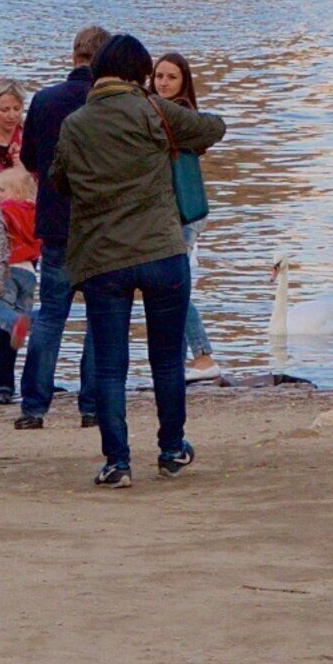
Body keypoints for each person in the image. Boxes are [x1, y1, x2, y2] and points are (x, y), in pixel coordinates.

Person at [52, 32, 224, 487]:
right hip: (162, 250)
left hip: (103, 258)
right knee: (166, 359)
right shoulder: (152, 109)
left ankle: (118, 463)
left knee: (110, 364)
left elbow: (58, 181)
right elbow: (213, 127)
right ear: (139, 73)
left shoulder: (74, 124)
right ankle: (170, 450)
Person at [13, 24, 110, 428]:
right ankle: (91, 406)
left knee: (51, 314)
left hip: (55, 222)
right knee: (99, 318)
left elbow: (32, 159)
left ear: (73, 55)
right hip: (102, 225)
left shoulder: (46, 100)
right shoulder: (109, 105)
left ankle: (34, 407)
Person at [151, 51, 222, 378]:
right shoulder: (167, 111)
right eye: (159, 76)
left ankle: (203, 356)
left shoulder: (177, 114)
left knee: (174, 285)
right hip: (180, 211)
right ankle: (179, 364)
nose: (163, 83)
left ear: (183, 82)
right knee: (172, 283)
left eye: (171, 77)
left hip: (181, 212)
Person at [0, 81, 32, 402]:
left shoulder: (27, 140)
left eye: (16, 108)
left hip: (23, 234)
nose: (11, 115)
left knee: (16, 304)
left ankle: (19, 379)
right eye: (4, 109)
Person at [0, 161, 41, 406]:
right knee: (22, 307)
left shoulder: (6, 210)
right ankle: (34, 320)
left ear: (17, 193)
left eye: (1, 190)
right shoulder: (35, 211)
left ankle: (18, 323)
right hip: (29, 270)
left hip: (8, 268)